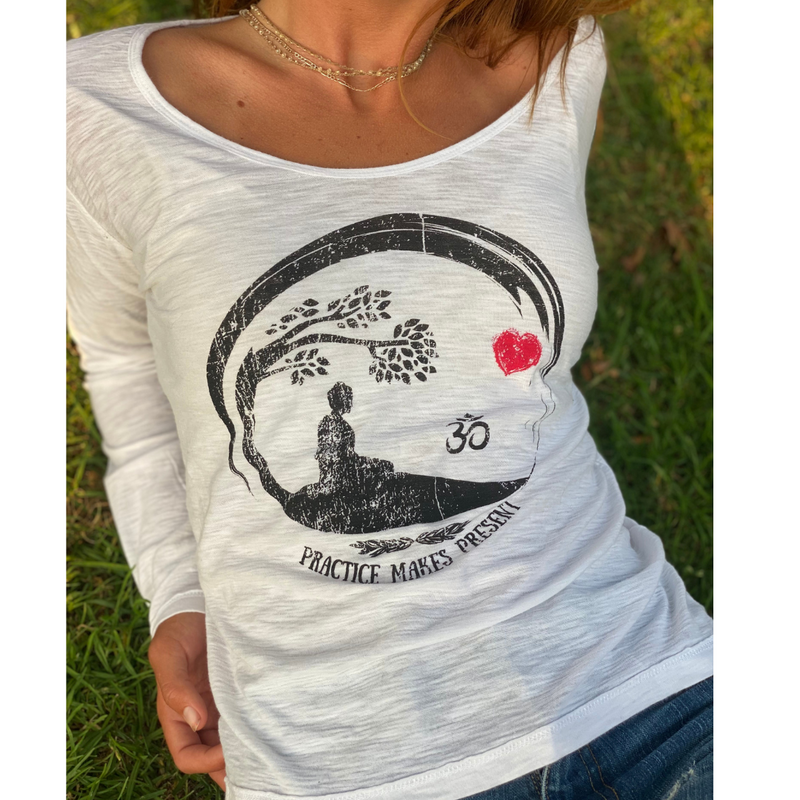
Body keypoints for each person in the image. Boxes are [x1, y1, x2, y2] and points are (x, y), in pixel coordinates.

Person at [66, 0, 713, 798]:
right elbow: (126, 365)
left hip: (655, 683)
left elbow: (534, 364)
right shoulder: (92, 105)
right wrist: (178, 595)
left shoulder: (558, 53)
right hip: (340, 755)